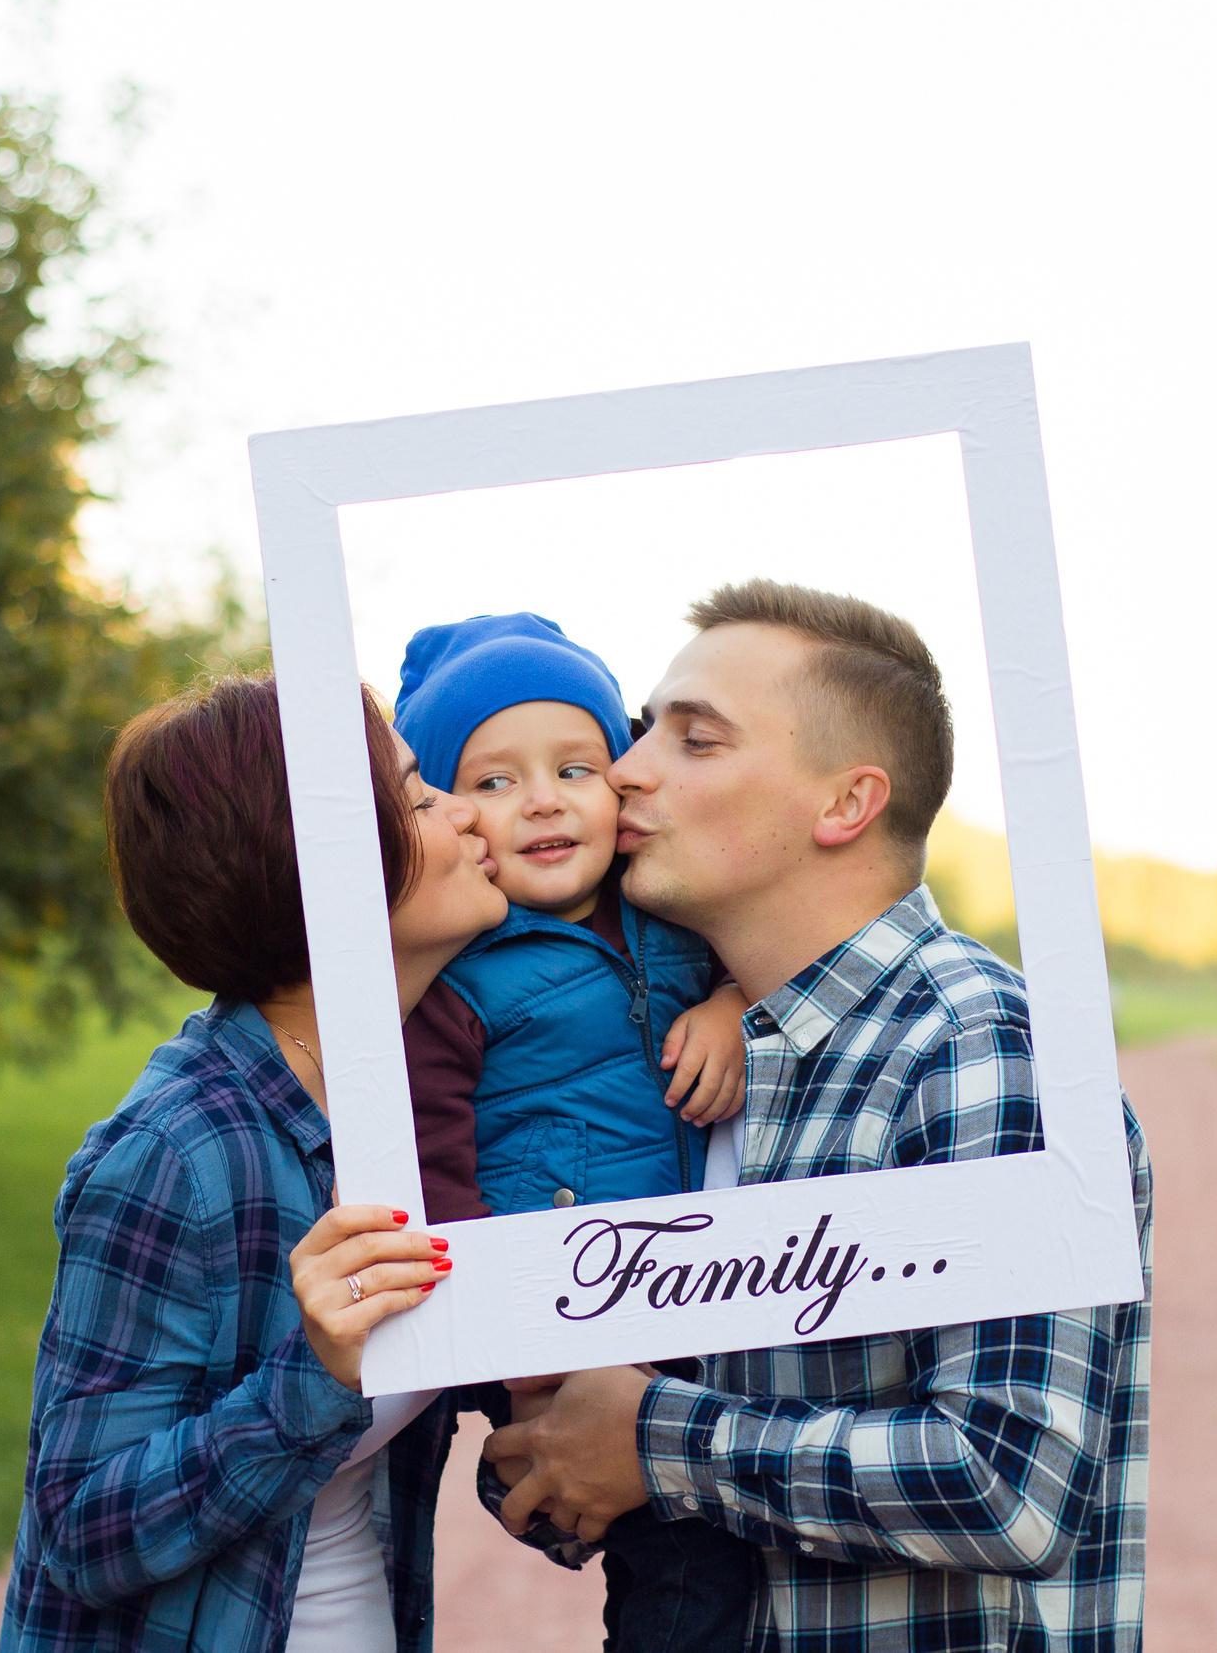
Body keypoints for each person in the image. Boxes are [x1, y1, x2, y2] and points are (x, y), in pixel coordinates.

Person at [483, 581, 1154, 1653]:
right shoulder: (679, 1058)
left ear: (844, 804)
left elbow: (1007, 1483)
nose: (628, 768)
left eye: (693, 741)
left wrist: (653, 1440)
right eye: (643, 728)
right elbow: (604, 1453)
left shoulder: (978, 1047)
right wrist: (555, 1447)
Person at [0, 673, 509, 1653]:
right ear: (322, 864)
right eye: (418, 794)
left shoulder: (410, 1107)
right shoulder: (177, 1153)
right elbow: (81, 1528)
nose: (463, 810)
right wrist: (312, 1378)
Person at [389, 612, 761, 1653]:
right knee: (683, 1591)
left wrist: (731, 1001)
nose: (542, 800)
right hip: (573, 1327)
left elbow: (780, 955)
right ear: (449, 817)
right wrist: (512, 1359)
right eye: (493, 782)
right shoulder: (458, 971)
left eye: (575, 767)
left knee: (738, 1567)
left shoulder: (675, 913)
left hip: (708, 1310)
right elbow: (433, 1173)